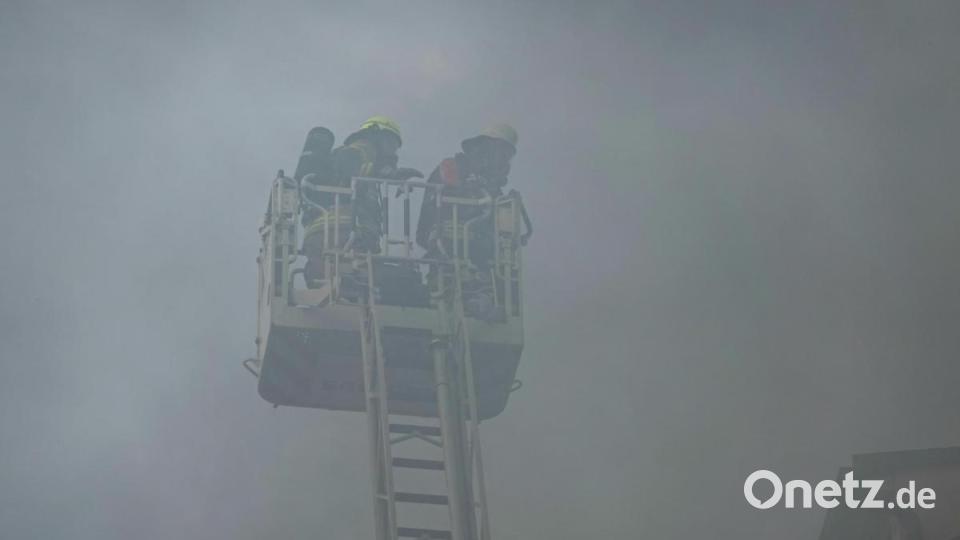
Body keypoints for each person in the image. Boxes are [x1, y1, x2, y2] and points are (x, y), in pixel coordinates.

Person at [299, 116, 422, 286]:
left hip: (322, 235)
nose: (392, 152)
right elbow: (350, 167)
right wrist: (389, 174)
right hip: (346, 233)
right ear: (376, 135)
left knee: (331, 281)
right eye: (390, 143)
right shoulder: (362, 148)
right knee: (378, 280)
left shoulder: (358, 156)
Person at [416, 124, 522, 319]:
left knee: (502, 271)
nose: (503, 159)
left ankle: (485, 299)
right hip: (450, 239)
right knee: (456, 271)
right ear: (487, 146)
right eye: (501, 152)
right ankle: (473, 296)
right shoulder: (453, 167)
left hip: (479, 245)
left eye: (507, 154)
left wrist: (506, 206)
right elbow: (439, 202)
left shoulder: (493, 187)